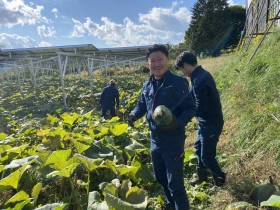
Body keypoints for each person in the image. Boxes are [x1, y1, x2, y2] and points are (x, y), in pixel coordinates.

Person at [128, 44, 196, 210]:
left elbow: (190, 108)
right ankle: (170, 204)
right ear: (148, 64)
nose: (157, 63)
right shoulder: (147, 85)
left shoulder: (178, 82)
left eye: (160, 59)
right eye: (153, 60)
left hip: (173, 139)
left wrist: (177, 123)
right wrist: (134, 114)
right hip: (154, 140)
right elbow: (141, 104)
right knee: (160, 177)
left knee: (176, 184)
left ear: (168, 60)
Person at [174, 51, 226, 187]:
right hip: (206, 122)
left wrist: (184, 118)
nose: (182, 72)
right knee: (198, 148)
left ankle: (220, 181)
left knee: (207, 157)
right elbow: (191, 98)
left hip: (211, 123)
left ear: (185, 65)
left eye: (181, 69)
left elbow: (200, 107)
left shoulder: (199, 80)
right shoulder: (200, 75)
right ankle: (201, 178)